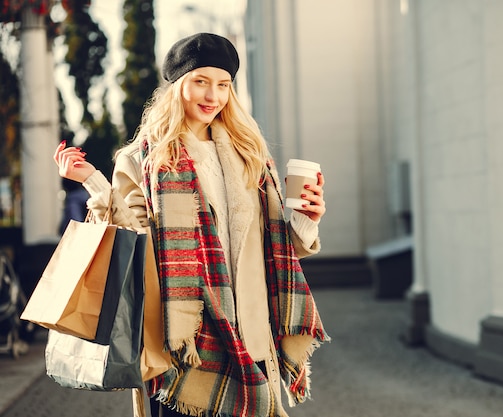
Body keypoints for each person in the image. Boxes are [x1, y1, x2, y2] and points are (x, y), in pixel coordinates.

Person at [53, 32, 329, 417]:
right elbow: (133, 242)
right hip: (184, 345)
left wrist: (306, 219)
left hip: (251, 335)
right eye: (200, 82)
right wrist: (92, 181)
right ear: (178, 86)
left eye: (223, 85)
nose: (212, 96)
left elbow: (274, 248)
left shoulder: (248, 154)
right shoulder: (143, 159)